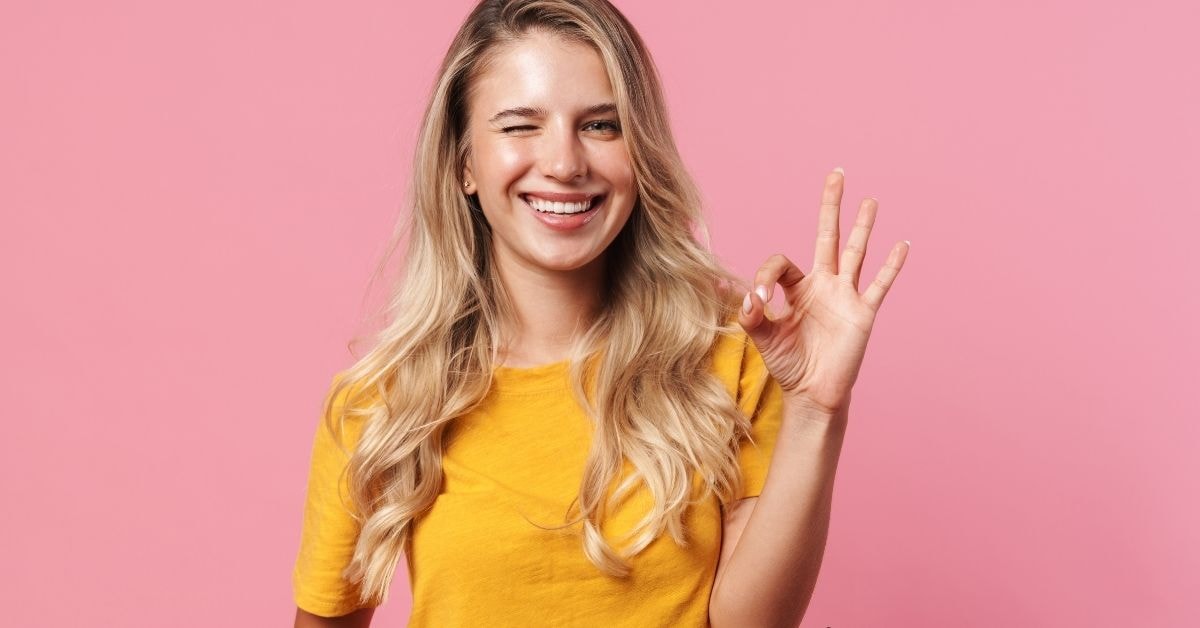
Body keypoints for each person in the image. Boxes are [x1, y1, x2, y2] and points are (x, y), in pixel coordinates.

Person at [292, 0, 909, 626]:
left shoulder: (730, 356)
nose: (564, 163)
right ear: (463, 165)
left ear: (640, 152)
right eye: (518, 126)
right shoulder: (379, 405)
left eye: (601, 125)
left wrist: (816, 412)